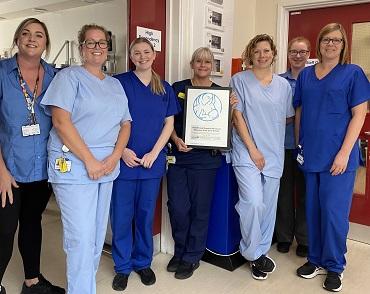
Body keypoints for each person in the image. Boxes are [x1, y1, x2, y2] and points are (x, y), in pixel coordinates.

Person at [40, 24, 131, 294]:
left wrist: (115, 156)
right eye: (90, 43)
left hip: (107, 166)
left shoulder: (114, 84)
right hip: (76, 167)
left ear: (108, 49)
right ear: (81, 48)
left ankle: (83, 286)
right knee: (80, 236)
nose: (97, 47)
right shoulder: (68, 77)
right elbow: (60, 120)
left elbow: (126, 123)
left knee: (95, 233)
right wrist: (90, 161)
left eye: (101, 43)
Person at [294, 23, 370, 292]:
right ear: (319, 43)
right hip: (311, 154)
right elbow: (301, 111)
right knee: (313, 211)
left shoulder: (353, 74)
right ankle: (315, 259)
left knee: (334, 215)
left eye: (336, 40)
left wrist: (344, 153)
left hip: (339, 158)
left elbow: (359, 115)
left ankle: (335, 265)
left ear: (343, 44)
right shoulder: (305, 76)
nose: (331, 44)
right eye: (326, 39)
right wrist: (298, 143)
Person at [0, 18, 65, 294]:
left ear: (46, 43)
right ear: (17, 38)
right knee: (4, 231)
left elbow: (65, 120)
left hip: (41, 170)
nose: (31, 39)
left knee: (31, 224)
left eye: (39, 35)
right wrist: (1, 171)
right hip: (8, 171)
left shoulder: (55, 76)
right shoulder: (2, 73)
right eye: (25, 33)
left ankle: (32, 281)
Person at [110, 37, 179, 291]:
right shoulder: (118, 83)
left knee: (145, 215)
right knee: (121, 217)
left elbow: (168, 124)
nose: (142, 56)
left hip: (151, 163)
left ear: (154, 54)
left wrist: (154, 153)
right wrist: (122, 151)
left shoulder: (164, 87)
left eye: (146, 52)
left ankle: (142, 262)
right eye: (136, 53)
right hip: (125, 162)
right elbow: (109, 120)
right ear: (131, 56)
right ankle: (122, 267)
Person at [166, 47, 236, 280]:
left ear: (213, 66)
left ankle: (192, 256)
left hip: (206, 161)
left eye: (208, 61)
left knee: (200, 209)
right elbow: (167, 122)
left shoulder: (222, 94)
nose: (203, 64)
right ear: (192, 63)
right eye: (199, 60)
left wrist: (230, 107)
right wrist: (176, 139)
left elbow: (226, 129)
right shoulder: (177, 88)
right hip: (178, 157)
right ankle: (179, 251)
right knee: (177, 207)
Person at [231, 34, 294, 280]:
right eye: (256, 51)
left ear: (273, 54)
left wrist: (270, 136)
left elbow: (288, 116)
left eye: (266, 51)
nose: (262, 55)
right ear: (250, 54)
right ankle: (251, 252)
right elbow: (237, 117)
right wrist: (253, 149)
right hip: (247, 152)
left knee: (268, 207)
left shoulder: (283, 86)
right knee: (253, 203)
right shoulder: (239, 80)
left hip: (274, 153)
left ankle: (261, 253)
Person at [275, 37, 310, 257]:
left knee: (306, 194)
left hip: (308, 147)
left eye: (302, 52)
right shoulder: (278, 81)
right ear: (287, 54)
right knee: (284, 194)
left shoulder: (314, 79)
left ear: (308, 54)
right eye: (293, 51)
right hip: (283, 145)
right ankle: (284, 236)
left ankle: (304, 239)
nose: (297, 56)